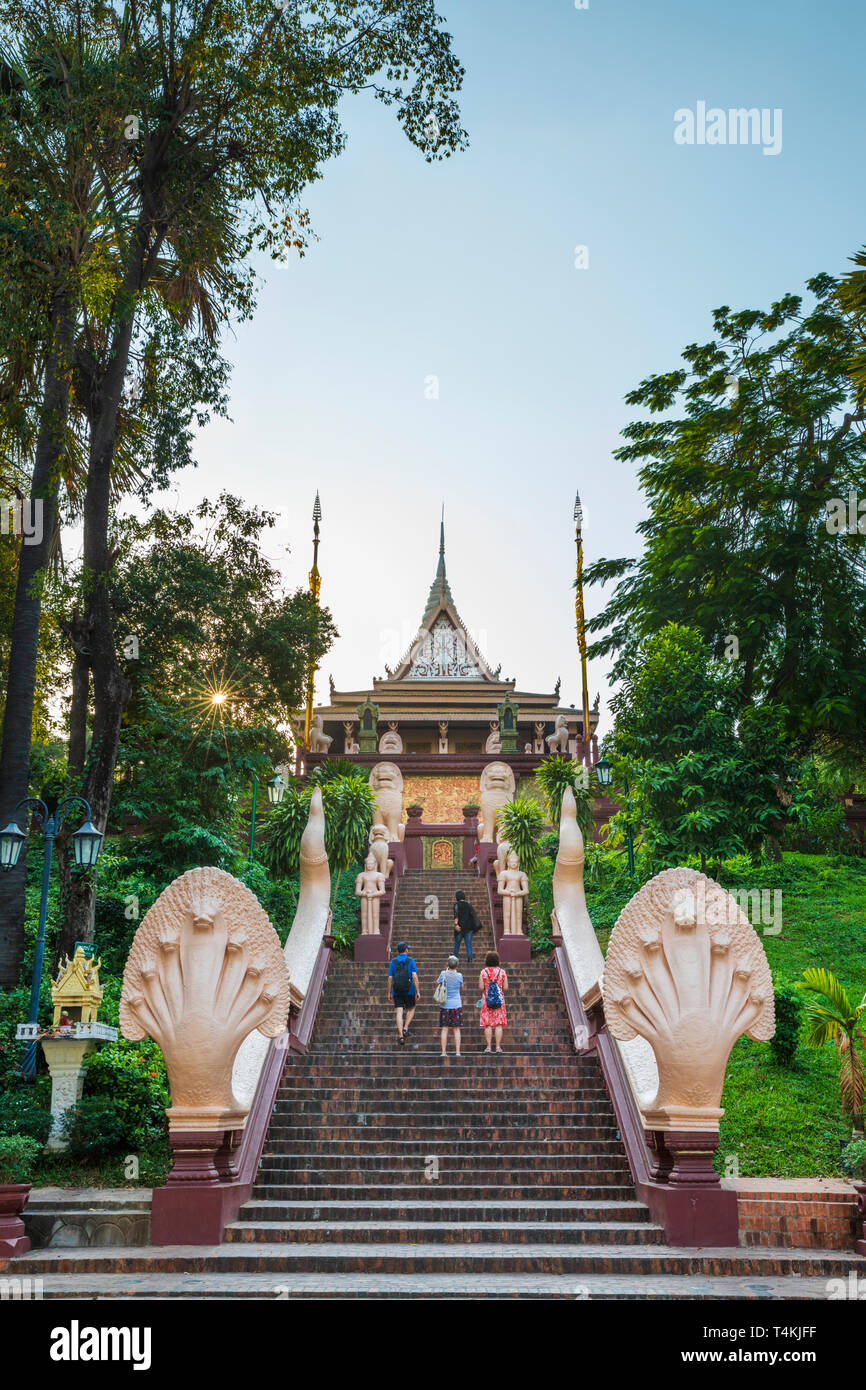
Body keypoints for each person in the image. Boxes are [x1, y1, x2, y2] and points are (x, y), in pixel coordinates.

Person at [388, 941, 419, 1045]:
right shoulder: (411, 961)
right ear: (406, 950)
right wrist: (417, 991)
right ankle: (405, 1028)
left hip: (396, 990)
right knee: (412, 1008)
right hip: (409, 990)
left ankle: (401, 1036)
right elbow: (414, 976)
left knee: (399, 1012)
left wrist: (389, 992)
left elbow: (390, 978)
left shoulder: (393, 962)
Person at [479, 950, 508, 1054]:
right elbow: (505, 987)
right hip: (499, 1000)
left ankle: (488, 1047)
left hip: (487, 1000)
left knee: (488, 1024)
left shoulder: (483, 972)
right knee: (498, 1024)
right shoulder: (502, 972)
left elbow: (481, 987)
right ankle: (498, 1047)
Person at [437, 955, 464, 1060]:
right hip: (456, 1005)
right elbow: (461, 987)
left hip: (445, 1005)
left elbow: (437, 983)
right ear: (457, 965)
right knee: (456, 1029)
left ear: (447, 964)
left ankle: (443, 1052)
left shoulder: (443, 974)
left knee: (444, 1029)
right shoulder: (459, 975)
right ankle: (457, 1052)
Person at [453, 889, 480, 963]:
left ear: (457, 897)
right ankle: (470, 959)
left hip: (460, 927)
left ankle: (455, 960)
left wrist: (456, 925)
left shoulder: (456, 904)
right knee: (468, 944)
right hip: (468, 928)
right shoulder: (468, 904)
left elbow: (456, 916)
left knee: (457, 944)